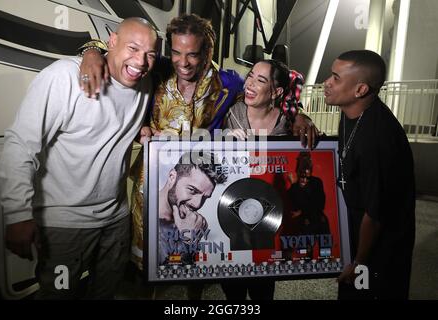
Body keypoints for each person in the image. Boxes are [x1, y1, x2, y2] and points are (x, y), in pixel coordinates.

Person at [78, 14, 318, 299]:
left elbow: (267, 95)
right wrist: (91, 52)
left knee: (198, 266)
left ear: (208, 52)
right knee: (145, 267)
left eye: (192, 54)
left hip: (201, 193)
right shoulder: (156, 70)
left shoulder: (228, 83)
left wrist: (298, 115)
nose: (183, 62)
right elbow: (114, 52)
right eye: (177, 52)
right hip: (152, 188)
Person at [0, 18, 159, 299]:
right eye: (133, 48)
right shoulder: (63, 76)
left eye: (150, 54)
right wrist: (17, 214)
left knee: (106, 293)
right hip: (65, 224)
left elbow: (107, 125)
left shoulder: (145, 85)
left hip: (115, 220)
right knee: (59, 295)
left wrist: (140, 133)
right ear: (112, 42)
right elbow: (21, 143)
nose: (141, 61)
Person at [323, 50, 415, 299]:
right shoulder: (351, 113)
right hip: (355, 236)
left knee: (367, 293)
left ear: (360, 90)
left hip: (379, 248)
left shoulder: (379, 139)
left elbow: (375, 216)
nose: (326, 83)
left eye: (335, 78)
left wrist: (358, 263)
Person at [221, 59, 313, 300]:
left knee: (263, 287)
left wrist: (305, 119)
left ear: (276, 91)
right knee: (233, 290)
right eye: (250, 76)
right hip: (233, 211)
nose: (249, 84)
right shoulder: (230, 111)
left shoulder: (287, 122)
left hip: (270, 214)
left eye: (260, 80)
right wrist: (224, 137)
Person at [158, 152, 227, 265]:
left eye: (204, 198)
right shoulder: (144, 214)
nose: (197, 204)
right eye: (192, 190)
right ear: (172, 177)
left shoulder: (192, 223)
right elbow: (162, 273)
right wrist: (188, 242)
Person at [286, 152, 330, 259]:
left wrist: (302, 211)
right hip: (305, 224)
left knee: (325, 255)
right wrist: (295, 186)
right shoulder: (294, 188)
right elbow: (295, 205)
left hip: (319, 222)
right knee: (305, 256)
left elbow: (320, 204)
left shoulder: (316, 182)